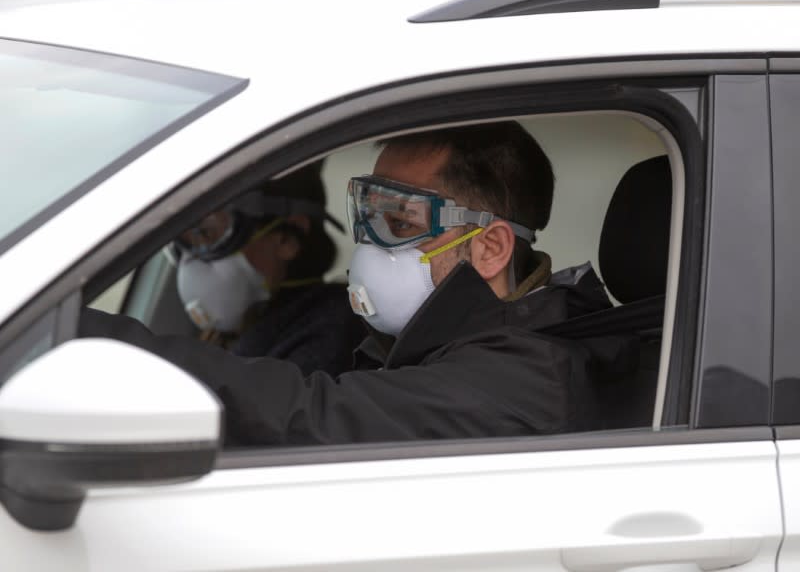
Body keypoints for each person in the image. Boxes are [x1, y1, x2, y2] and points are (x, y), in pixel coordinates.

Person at [80, 121, 630, 445]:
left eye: (401, 223)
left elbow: (310, 415)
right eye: (366, 216)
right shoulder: (440, 345)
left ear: (489, 249)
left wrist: (80, 337)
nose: (368, 245)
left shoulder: (529, 376)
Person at [172, 161, 364, 376]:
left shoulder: (331, 329)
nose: (192, 257)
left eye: (207, 233)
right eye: (186, 237)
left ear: (286, 240)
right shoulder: (242, 327)